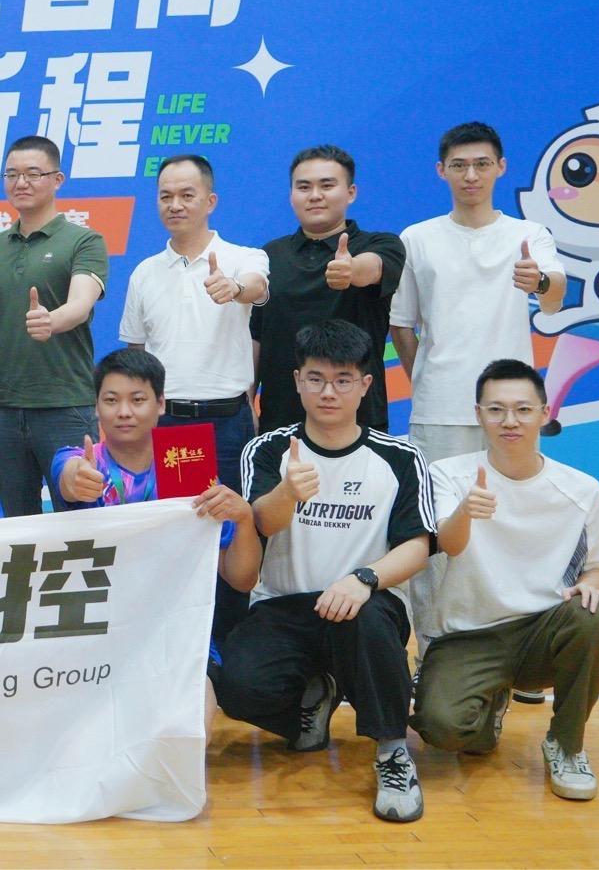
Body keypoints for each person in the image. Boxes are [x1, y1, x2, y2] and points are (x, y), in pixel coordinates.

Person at [217, 321, 433, 823]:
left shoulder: (400, 457)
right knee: (237, 683)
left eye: (342, 380)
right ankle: (310, 703)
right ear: (297, 382)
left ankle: (392, 753)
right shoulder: (267, 450)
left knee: (367, 619)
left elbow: (419, 546)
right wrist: (288, 492)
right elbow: (261, 523)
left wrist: (364, 579)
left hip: (364, 604)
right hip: (283, 604)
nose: (328, 392)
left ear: (366, 384)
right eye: (315, 378)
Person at [389, 122, 569, 685]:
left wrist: (538, 281)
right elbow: (402, 323)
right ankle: (433, 656)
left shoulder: (528, 233)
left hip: (510, 410)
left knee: (513, 530)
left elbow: (555, 291)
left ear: (501, 167)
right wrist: (425, 379)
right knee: (438, 536)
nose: (471, 175)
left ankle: (523, 661)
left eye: (482, 164)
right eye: (460, 165)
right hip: (438, 410)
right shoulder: (418, 238)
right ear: (441, 171)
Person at [410, 360, 599, 801]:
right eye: (496, 409)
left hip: (542, 630)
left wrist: (591, 585)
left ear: (545, 414)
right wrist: (466, 511)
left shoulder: (583, 489)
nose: (510, 421)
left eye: (523, 409)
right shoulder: (447, 474)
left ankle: (566, 745)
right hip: (468, 635)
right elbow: (448, 545)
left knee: (593, 618)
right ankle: (489, 706)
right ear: (478, 414)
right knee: (443, 730)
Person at [52, 348, 263, 714]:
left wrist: (244, 520)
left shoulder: (188, 462)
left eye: (137, 400)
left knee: (197, 723)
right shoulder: (82, 460)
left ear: (161, 404)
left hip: (177, 633)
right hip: (99, 639)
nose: (124, 411)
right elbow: (67, 476)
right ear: (96, 406)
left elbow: (242, 580)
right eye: (111, 400)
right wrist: (75, 479)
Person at [0, 135, 109, 516]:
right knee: (11, 525)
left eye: (33, 174)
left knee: (79, 517)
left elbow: (80, 304)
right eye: (12, 174)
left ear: (57, 179)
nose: (21, 182)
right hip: (3, 413)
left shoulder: (84, 241)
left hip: (64, 406)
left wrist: (52, 320)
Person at [119, 155, 268, 495]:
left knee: (232, 518)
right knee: (178, 520)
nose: (175, 205)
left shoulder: (244, 257)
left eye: (187, 195)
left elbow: (257, 286)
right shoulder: (144, 272)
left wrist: (234, 288)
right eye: (165, 196)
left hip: (228, 420)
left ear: (210, 201)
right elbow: (136, 354)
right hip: (167, 420)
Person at [252, 146, 405, 434]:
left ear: (351, 192)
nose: (315, 195)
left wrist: (351, 270)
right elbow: (256, 337)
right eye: (303, 187)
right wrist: (248, 401)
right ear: (291, 195)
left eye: (327, 185)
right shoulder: (269, 255)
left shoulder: (382, 244)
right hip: (280, 420)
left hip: (359, 422)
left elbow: (373, 267)